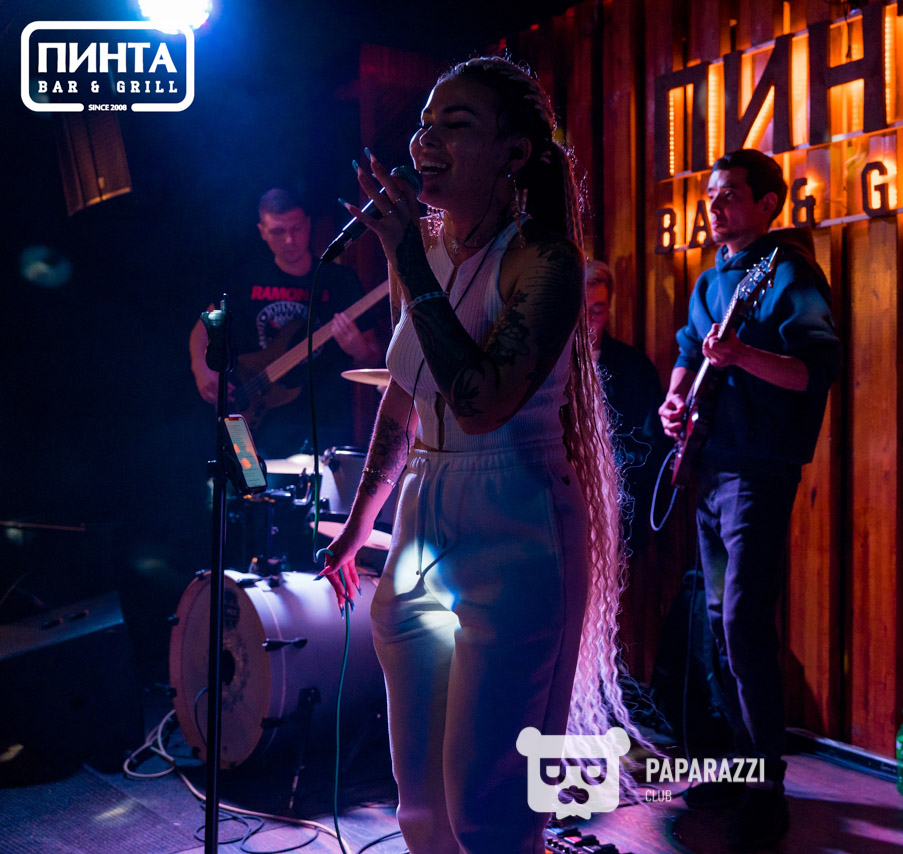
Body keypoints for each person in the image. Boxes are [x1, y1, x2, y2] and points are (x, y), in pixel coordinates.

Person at [318, 58, 645, 854]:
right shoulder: (426, 252)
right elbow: (404, 396)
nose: (425, 142)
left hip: (516, 518)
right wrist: (360, 525)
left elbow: (480, 399)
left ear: (514, 153)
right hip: (421, 510)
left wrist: (405, 257)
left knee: (487, 812)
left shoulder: (546, 262)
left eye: (455, 125)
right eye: (424, 125)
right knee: (420, 809)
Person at [658, 149, 839, 849]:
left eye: (730, 194)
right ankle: (742, 763)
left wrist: (742, 356)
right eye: (710, 194)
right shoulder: (711, 280)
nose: (714, 205)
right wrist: (676, 398)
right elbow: (688, 349)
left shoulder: (787, 271)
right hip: (710, 464)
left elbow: (816, 371)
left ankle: (768, 788)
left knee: (742, 622)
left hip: (759, 471)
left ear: (768, 204)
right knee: (715, 620)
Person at [187, 188, 380, 458]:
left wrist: (359, 350)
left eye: (296, 228)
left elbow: (374, 356)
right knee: (250, 483)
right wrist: (200, 369)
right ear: (262, 231)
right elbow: (203, 327)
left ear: (308, 224)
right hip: (256, 420)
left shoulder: (340, 281)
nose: (290, 240)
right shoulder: (247, 280)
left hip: (324, 422)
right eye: (278, 231)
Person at [585, 259, 667, 549]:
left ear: (609, 307)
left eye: (598, 310)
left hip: (621, 505)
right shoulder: (552, 368)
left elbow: (652, 442)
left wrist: (616, 473)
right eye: (582, 310)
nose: (589, 320)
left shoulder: (635, 367)